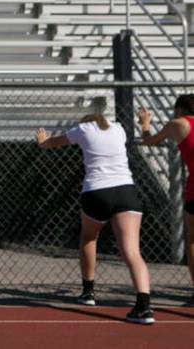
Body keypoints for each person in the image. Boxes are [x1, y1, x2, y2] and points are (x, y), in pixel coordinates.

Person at [36, 112, 153, 324]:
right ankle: (144, 307)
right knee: (132, 252)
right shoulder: (119, 129)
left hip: (97, 191)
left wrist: (43, 142)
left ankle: (88, 292)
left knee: (89, 237)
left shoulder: (83, 129)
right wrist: (145, 123)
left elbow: (55, 142)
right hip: (126, 190)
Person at [139, 95, 194, 302]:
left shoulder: (178, 124)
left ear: (179, 110)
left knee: (192, 240)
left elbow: (149, 140)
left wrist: (145, 124)